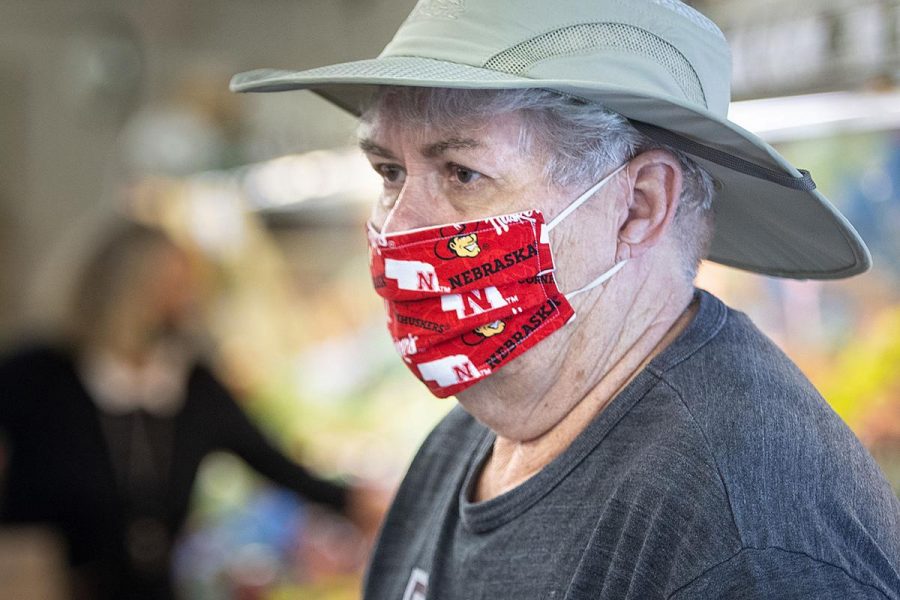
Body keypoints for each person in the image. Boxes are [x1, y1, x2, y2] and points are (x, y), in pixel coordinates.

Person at [231, 0, 900, 598]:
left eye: (463, 172)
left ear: (638, 207)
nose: (397, 225)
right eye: (390, 171)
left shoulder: (748, 537)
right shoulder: (469, 440)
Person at [0, 219, 378, 600]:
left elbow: (271, 462)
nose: (186, 301)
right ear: (124, 289)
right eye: (170, 286)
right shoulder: (36, 377)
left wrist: (355, 502)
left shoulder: (193, 386)